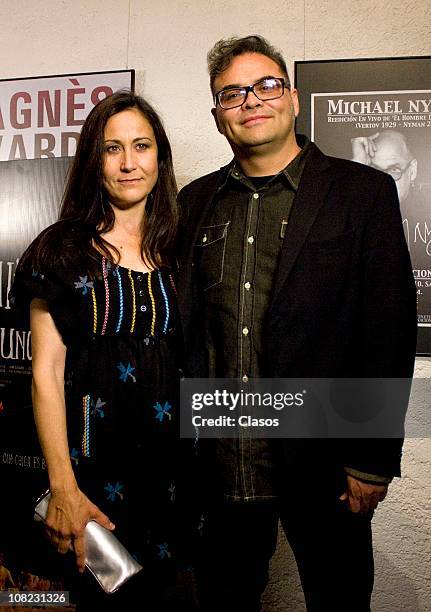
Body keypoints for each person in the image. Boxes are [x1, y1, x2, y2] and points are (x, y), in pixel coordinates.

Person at [176, 36, 417, 611]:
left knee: (338, 600)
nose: (251, 101)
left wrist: (373, 458)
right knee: (222, 600)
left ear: (293, 98)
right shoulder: (192, 203)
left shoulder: (362, 193)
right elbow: (188, 336)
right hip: (222, 460)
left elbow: (387, 330)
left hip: (328, 463)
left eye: (265, 85)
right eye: (231, 93)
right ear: (216, 116)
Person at [11, 91, 190, 611]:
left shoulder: (183, 250)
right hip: (92, 478)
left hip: (177, 479)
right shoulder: (60, 251)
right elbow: (44, 374)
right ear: (95, 159)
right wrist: (63, 490)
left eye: (142, 145)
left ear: (161, 157)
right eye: (113, 149)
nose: (130, 162)